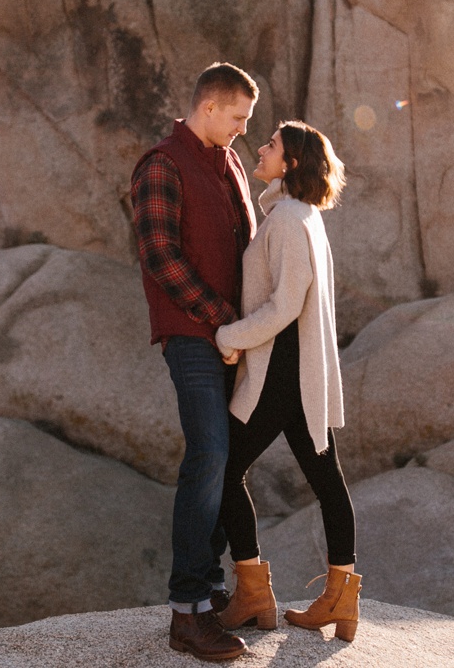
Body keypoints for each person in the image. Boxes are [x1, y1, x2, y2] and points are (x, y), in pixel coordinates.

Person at [131, 62, 259, 662]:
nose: (242, 130)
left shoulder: (229, 161)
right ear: (209, 107)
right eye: (238, 117)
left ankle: (212, 600)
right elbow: (160, 254)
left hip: (234, 337)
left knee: (225, 461)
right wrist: (220, 319)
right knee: (208, 455)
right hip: (193, 336)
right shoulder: (162, 163)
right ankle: (187, 613)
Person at [214, 121, 361, 642]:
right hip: (299, 373)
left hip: (280, 373)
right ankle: (340, 598)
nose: (261, 149)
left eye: (271, 145)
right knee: (327, 482)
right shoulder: (300, 216)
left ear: (291, 162)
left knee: (223, 471)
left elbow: (284, 305)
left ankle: (253, 591)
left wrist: (230, 335)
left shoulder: (289, 220)